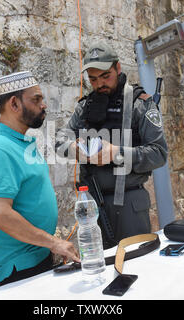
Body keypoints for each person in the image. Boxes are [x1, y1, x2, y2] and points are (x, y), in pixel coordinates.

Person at [55, 42, 168, 248]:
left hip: (129, 204)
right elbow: (59, 141)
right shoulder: (84, 107)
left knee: (136, 266)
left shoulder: (140, 103)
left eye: (105, 76)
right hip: (93, 205)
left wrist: (116, 153)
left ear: (118, 68)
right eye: (93, 79)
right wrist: (76, 149)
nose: (99, 84)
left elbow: (159, 153)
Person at [0, 71, 80, 288]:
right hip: (18, 267)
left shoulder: (22, 142)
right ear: (14, 103)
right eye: (36, 99)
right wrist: (54, 243)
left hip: (37, 257)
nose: (44, 105)